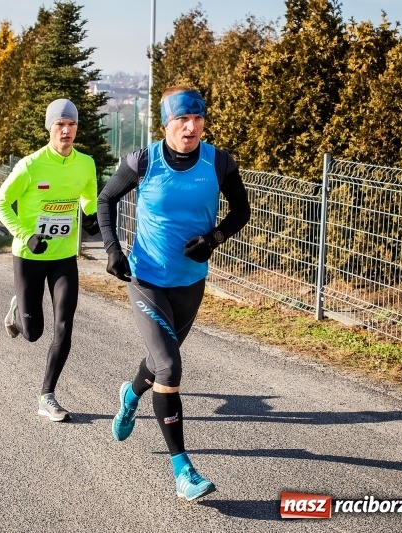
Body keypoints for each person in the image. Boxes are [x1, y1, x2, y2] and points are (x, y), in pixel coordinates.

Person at [97, 85, 251, 501]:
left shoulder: (217, 161)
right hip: (147, 279)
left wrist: (214, 238)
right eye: (182, 119)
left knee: (159, 363)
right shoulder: (143, 161)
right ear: (165, 123)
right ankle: (183, 469)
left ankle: (130, 395)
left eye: (197, 118)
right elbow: (106, 199)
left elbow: (242, 209)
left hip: (190, 282)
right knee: (169, 367)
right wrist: (113, 250)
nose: (191, 126)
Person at [0, 98, 100, 422]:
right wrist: (26, 236)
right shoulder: (30, 166)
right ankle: (17, 309)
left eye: (71, 125)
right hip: (29, 256)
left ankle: (47, 395)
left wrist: (91, 215)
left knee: (64, 326)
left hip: (64, 257)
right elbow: (0, 203)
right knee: (33, 332)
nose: (66, 131)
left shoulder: (86, 164)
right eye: (59, 125)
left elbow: (88, 194)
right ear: (50, 128)